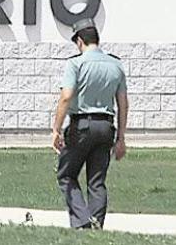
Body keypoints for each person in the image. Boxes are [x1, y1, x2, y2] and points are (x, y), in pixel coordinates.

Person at [51, 17, 129, 230]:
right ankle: (95, 223)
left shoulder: (75, 64)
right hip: (106, 126)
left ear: (79, 41)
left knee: (66, 174)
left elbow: (66, 97)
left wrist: (56, 129)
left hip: (81, 125)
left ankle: (81, 220)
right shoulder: (116, 65)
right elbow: (123, 104)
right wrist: (121, 138)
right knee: (97, 180)